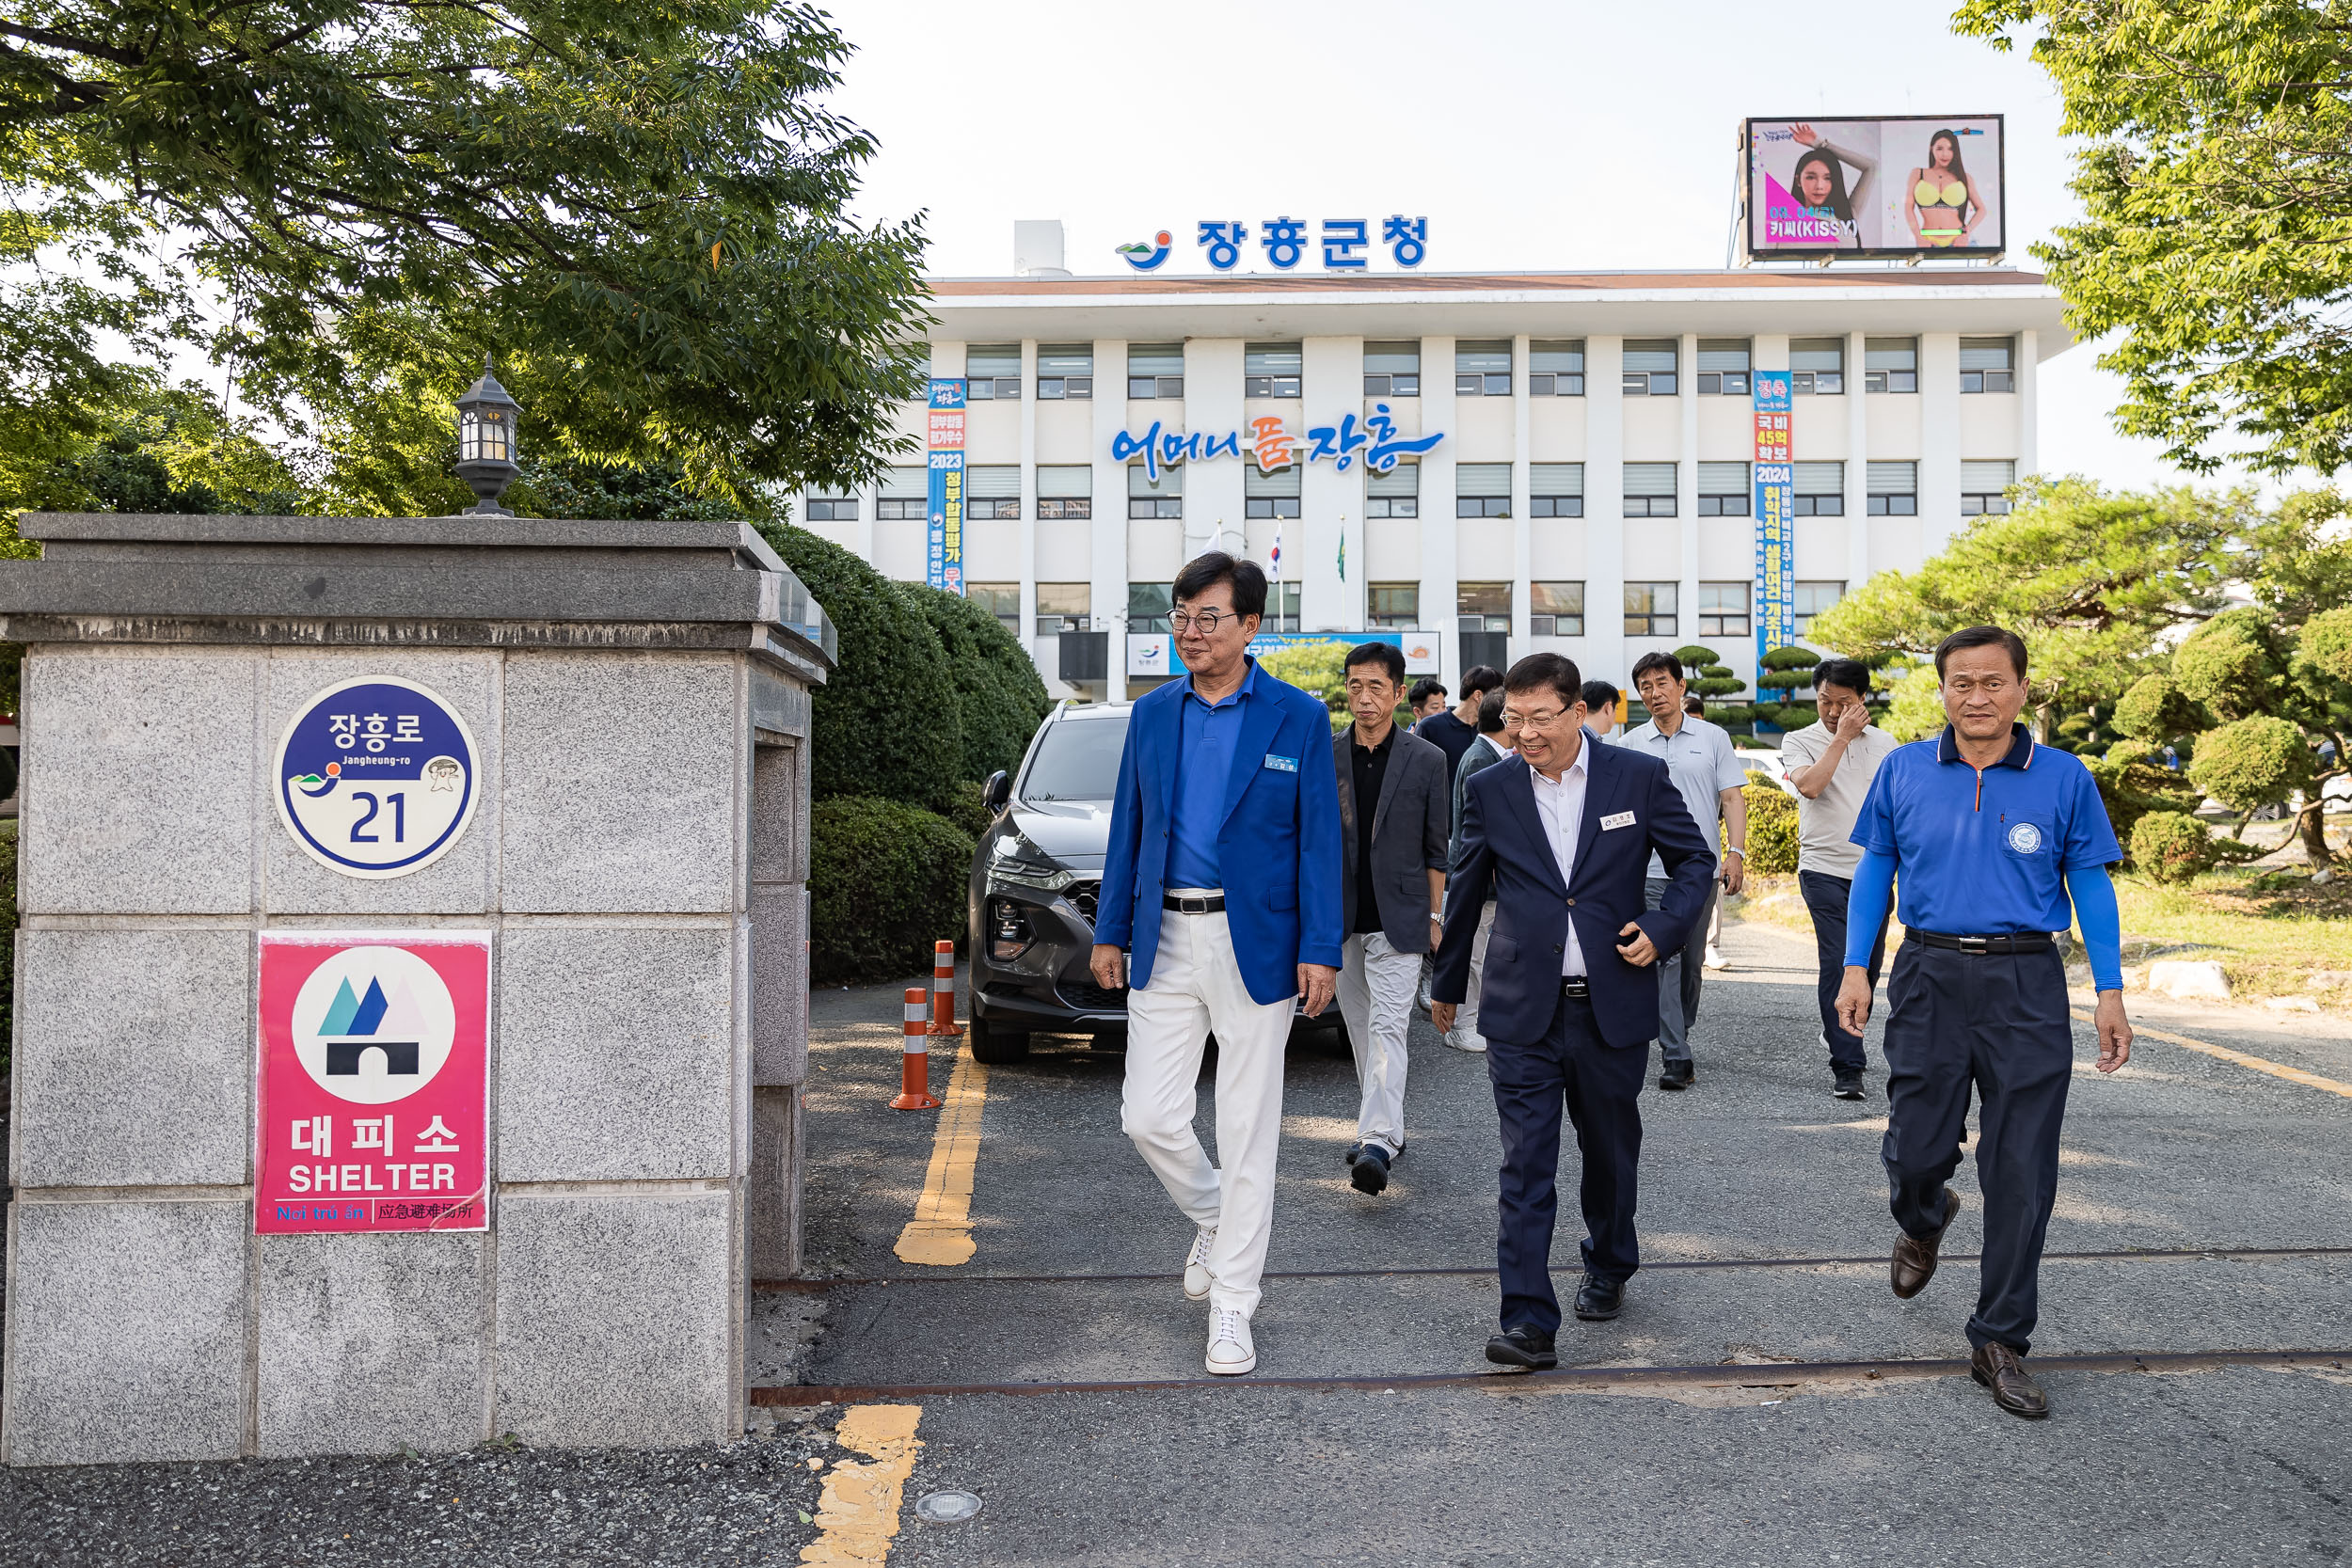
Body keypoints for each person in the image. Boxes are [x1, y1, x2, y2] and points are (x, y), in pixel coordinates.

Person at [1836, 626, 2134, 1419]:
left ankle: (2000, 1337)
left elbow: (2091, 884)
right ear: (1942, 691)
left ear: (2022, 690)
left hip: (2026, 980)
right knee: (1918, 1146)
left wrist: (2108, 988)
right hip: (1928, 971)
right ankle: (1924, 1217)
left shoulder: (2064, 777)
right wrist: (1856, 965)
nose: (1977, 696)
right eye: (1961, 682)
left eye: (1993, 682)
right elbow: (1875, 867)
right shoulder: (1903, 769)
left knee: (2022, 1169)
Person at [1092, 551, 1343, 1377]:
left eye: (1206, 618)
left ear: (1250, 627)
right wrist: (1110, 929)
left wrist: (1320, 948)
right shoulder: (1154, 713)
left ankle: (1234, 1304)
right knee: (1147, 1116)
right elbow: (1130, 825)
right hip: (1163, 935)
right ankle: (1213, 1213)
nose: (1189, 632)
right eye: (1179, 616)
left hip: (1258, 943)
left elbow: (1317, 843)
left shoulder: (1297, 717)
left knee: (1247, 1128)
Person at [1430, 654, 1713, 1368]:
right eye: (1513, 718)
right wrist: (1446, 983)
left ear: (1577, 711)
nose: (1523, 731)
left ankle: (1611, 1259)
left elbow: (1692, 865)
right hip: (1522, 1009)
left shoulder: (1636, 777)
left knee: (1610, 1153)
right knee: (1525, 1164)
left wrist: (1662, 926)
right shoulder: (1492, 787)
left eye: (1538, 717)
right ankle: (1527, 1322)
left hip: (1610, 1005)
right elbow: (1466, 883)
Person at [1329, 641, 1451, 1196]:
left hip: (1401, 918)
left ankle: (1378, 1140)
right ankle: (1380, 1129)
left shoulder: (1428, 760)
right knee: (1358, 1027)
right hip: (1343, 917)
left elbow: (1435, 848)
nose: (1364, 698)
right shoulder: (1326, 756)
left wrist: (1434, 913)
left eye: (1376, 686)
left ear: (1399, 693)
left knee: (1387, 1026)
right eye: (1355, 686)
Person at [1613, 652, 1748, 1090]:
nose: (1654, 693)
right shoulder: (1631, 743)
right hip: (1648, 871)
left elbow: (1731, 799)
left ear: (1681, 686)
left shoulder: (1712, 737)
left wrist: (1736, 853)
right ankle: (1676, 1055)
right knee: (1664, 960)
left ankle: (1678, 1028)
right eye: (1645, 687)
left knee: (1690, 963)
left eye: (1661, 683)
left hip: (1698, 870)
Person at [1780, 657, 1899, 1100]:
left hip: (1874, 872)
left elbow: (1899, 809)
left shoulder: (1887, 744)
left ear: (1863, 700)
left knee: (1867, 965)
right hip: (1823, 869)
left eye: (1843, 703)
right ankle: (1848, 1065)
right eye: (1825, 701)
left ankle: (1840, 1029)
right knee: (1839, 960)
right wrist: (1841, 738)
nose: (1831, 711)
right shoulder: (1799, 740)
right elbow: (1810, 786)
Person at [1440, 690, 1518, 1053]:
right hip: (1479, 883)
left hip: (1485, 883)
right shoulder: (1481, 759)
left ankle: (1474, 1020)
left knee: (1483, 956)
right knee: (1474, 958)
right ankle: (1463, 1025)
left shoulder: (1486, 754)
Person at [1788, 121, 1880, 253]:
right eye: (1811, 177)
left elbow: (1871, 166)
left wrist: (1820, 144)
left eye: (1827, 178)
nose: (1819, 186)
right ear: (1798, 181)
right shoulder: (1784, 222)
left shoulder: (1846, 214)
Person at [1906, 127, 1988, 248]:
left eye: (1950, 149)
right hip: (1927, 242)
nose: (1945, 154)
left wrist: (1966, 233)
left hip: (1959, 242)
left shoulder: (1964, 177)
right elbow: (1908, 207)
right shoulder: (1918, 173)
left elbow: (1982, 209)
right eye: (1939, 148)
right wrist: (1918, 236)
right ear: (1931, 148)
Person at [1415, 665, 1502, 778]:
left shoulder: (1493, 730)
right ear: (1478, 696)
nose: (1501, 701)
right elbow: (1416, 774)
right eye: (1497, 695)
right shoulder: (1430, 727)